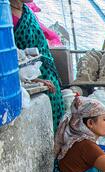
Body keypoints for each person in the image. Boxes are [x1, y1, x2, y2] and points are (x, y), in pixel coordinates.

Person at [10, 0, 65, 132]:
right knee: (45, 128)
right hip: (29, 79)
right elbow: (10, 59)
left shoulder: (27, 11)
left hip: (47, 72)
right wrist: (35, 80)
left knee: (58, 121)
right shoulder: (5, 15)